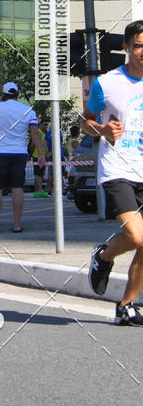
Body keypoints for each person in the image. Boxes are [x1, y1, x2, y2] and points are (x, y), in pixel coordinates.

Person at [84, 20, 143, 324]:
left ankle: (126, 306)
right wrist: (103, 130)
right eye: (138, 45)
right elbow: (85, 121)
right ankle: (104, 256)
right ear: (126, 48)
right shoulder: (107, 83)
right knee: (136, 236)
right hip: (118, 168)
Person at [0, 82, 46, 233]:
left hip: (1, 153)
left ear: (4, 94)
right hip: (20, 153)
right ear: (17, 94)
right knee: (17, 188)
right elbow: (35, 133)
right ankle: (17, 225)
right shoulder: (28, 110)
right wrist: (41, 154)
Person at [30, 126, 49, 197]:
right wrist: (31, 152)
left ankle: (37, 191)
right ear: (41, 124)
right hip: (38, 155)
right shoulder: (38, 131)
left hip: (40, 155)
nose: (46, 126)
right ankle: (40, 190)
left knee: (38, 173)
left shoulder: (42, 133)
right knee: (38, 174)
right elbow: (33, 143)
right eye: (44, 124)